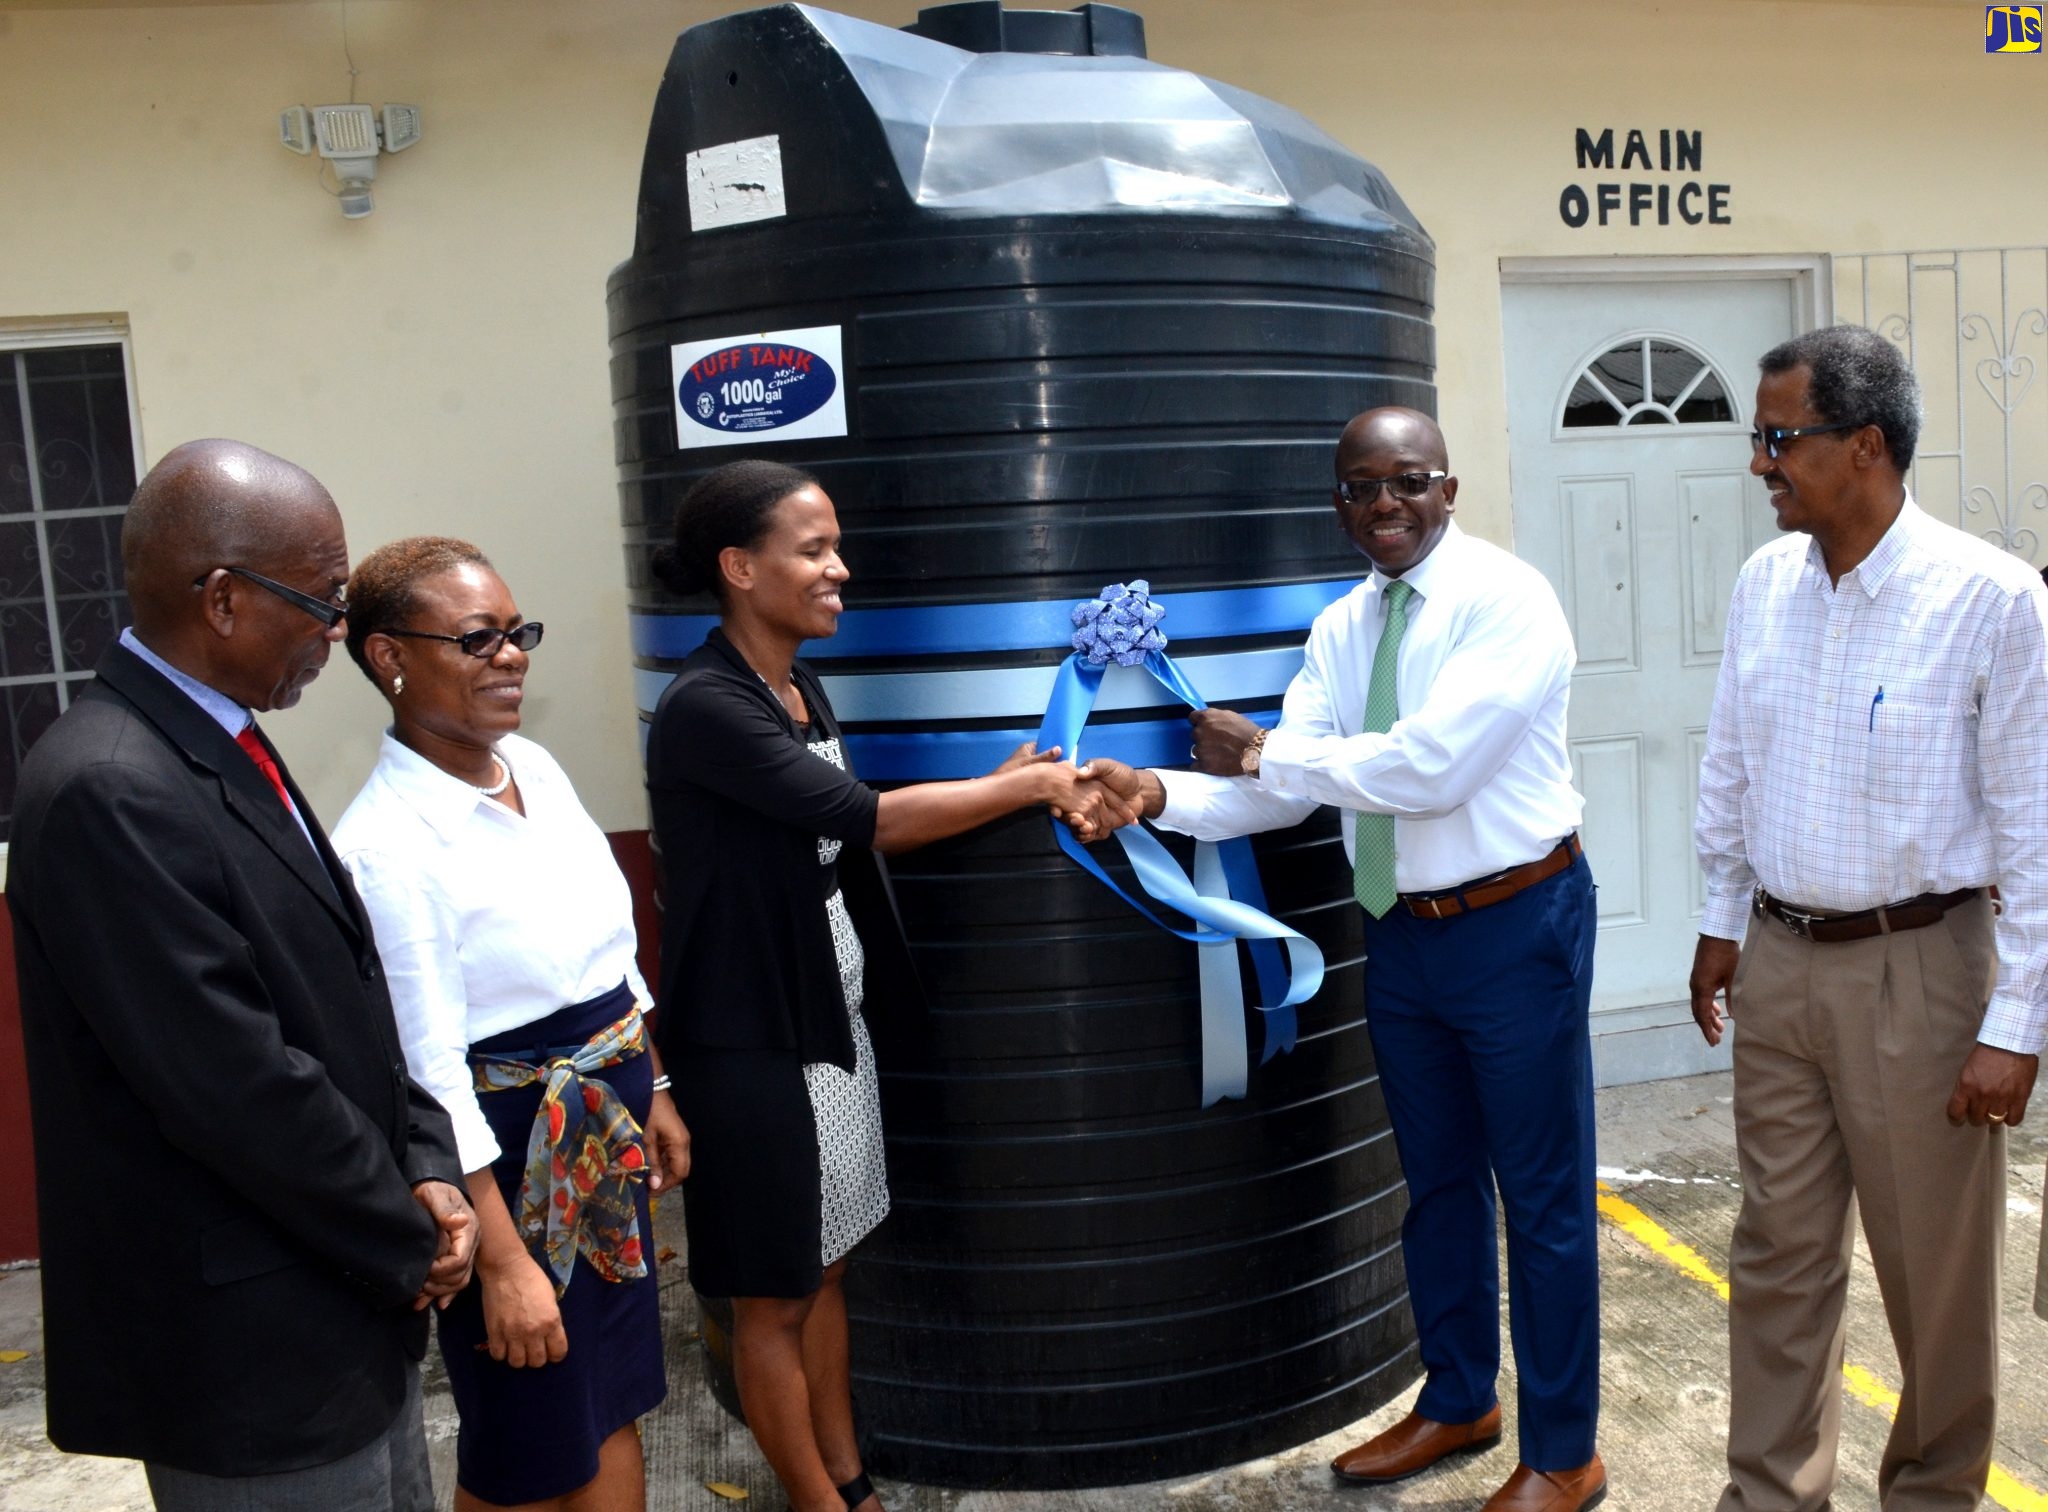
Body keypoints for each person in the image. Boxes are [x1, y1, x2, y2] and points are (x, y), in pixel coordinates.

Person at [1086, 407, 1605, 1512]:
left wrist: (1270, 747)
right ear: (1337, 504)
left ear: (1448, 489)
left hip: (1517, 926)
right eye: (1358, 489)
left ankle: (1565, 1454)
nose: (1381, 506)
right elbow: (1283, 793)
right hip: (1403, 937)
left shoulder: (1506, 602)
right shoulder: (1342, 628)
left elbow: (1429, 769)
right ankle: (1460, 1396)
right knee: (1437, 1186)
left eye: (1405, 482)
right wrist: (1158, 795)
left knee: (1543, 1200)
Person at [645, 459, 1130, 1512]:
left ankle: (851, 1482)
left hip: (828, 1025)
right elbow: (862, 820)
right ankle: (820, 1505)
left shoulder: (792, 685)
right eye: (811, 550)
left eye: (832, 546)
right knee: (772, 1298)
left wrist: (1008, 781)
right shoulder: (705, 707)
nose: (838, 568)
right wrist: (1029, 787)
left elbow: (841, 826)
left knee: (825, 1273)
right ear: (738, 568)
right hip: (755, 1045)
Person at [6, 439, 476, 1511]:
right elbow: (233, 1082)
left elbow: (347, 1000)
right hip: (255, 1359)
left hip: (345, 1309)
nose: (337, 633)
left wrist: (427, 1161)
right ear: (222, 599)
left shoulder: (221, 745)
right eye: (320, 601)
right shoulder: (111, 787)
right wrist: (412, 1232)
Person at [1691, 324, 2048, 1511]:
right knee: (1775, 1263)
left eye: (1777, 438)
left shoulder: (1989, 600)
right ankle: (1768, 1495)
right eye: (1758, 437)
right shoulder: (1762, 587)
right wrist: (1716, 919)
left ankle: (1934, 1494)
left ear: (1863, 447)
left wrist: (2015, 1021)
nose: (1759, 463)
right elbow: (1727, 766)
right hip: (1779, 968)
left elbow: (2035, 828)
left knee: (1932, 1284)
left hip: (1922, 975)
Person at [332, 537, 690, 1511]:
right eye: (476, 638)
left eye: (516, 633)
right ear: (389, 658)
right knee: (526, 1440)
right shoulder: (387, 851)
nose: (510, 656)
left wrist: (649, 1082)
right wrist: (501, 1262)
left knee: (611, 1398)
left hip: (601, 1135)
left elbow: (604, 945)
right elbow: (430, 1076)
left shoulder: (527, 763)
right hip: (509, 1171)